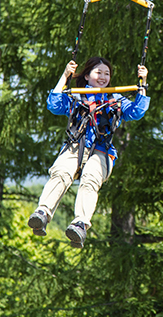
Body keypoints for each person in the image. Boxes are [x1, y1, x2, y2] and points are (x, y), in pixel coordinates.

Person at [28, 57, 149, 247]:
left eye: (107, 74)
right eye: (98, 72)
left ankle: (80, 224)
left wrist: (142, 84)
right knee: (61, 172)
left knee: (91, 178)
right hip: (76, 146)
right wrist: (65, 76)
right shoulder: (77, 97)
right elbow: (54, 104)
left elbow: (137, 111)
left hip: (102, 150)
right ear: (87, 75)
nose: (103, 77)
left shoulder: (115, 100)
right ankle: (43, 212)